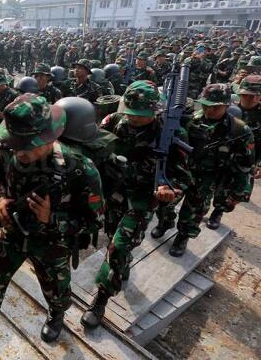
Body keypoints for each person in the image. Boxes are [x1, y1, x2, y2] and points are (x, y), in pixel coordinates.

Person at [0, 94, 104, 359]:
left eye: (28, 145)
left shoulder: (78, 169)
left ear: (49, 137)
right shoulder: (9, 150)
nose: (20, 152)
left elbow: (95, 220)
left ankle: (56, 316)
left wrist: (53, 219)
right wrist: (1, 197)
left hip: (52, 244)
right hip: (12, 234)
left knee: (57, 290)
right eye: (17, 144)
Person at [81, 81, 192, 329]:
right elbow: (95, 153)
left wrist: (170, 189)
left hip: (142, 200)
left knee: (118, 246)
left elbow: (185, 176)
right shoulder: (112, 122)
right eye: (132, 114)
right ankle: (121, 266)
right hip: (114, 195)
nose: (135, 120)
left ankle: (100, 299)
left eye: (142, 116)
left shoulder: (172, 133)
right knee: (112, 238)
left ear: (156, 111)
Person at [168, 84, 254, 257]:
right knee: (165, 203)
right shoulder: (193, 118)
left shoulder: (239, 130)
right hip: (185, 171)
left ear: (227, 105)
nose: (209, 110)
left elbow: (245, 165)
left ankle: (183, 236)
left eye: (215, 107)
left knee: (193, 211)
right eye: (206, 105)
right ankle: (165, 222)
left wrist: (238, 193)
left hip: (209, 177)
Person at [208, 75, 261, 229]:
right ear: (242, 94)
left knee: (231, 194)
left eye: (258, 95)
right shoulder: (228, 109)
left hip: (246, 159)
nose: (255, 98)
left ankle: (218, 212)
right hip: (220, 155)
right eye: (250, 95)